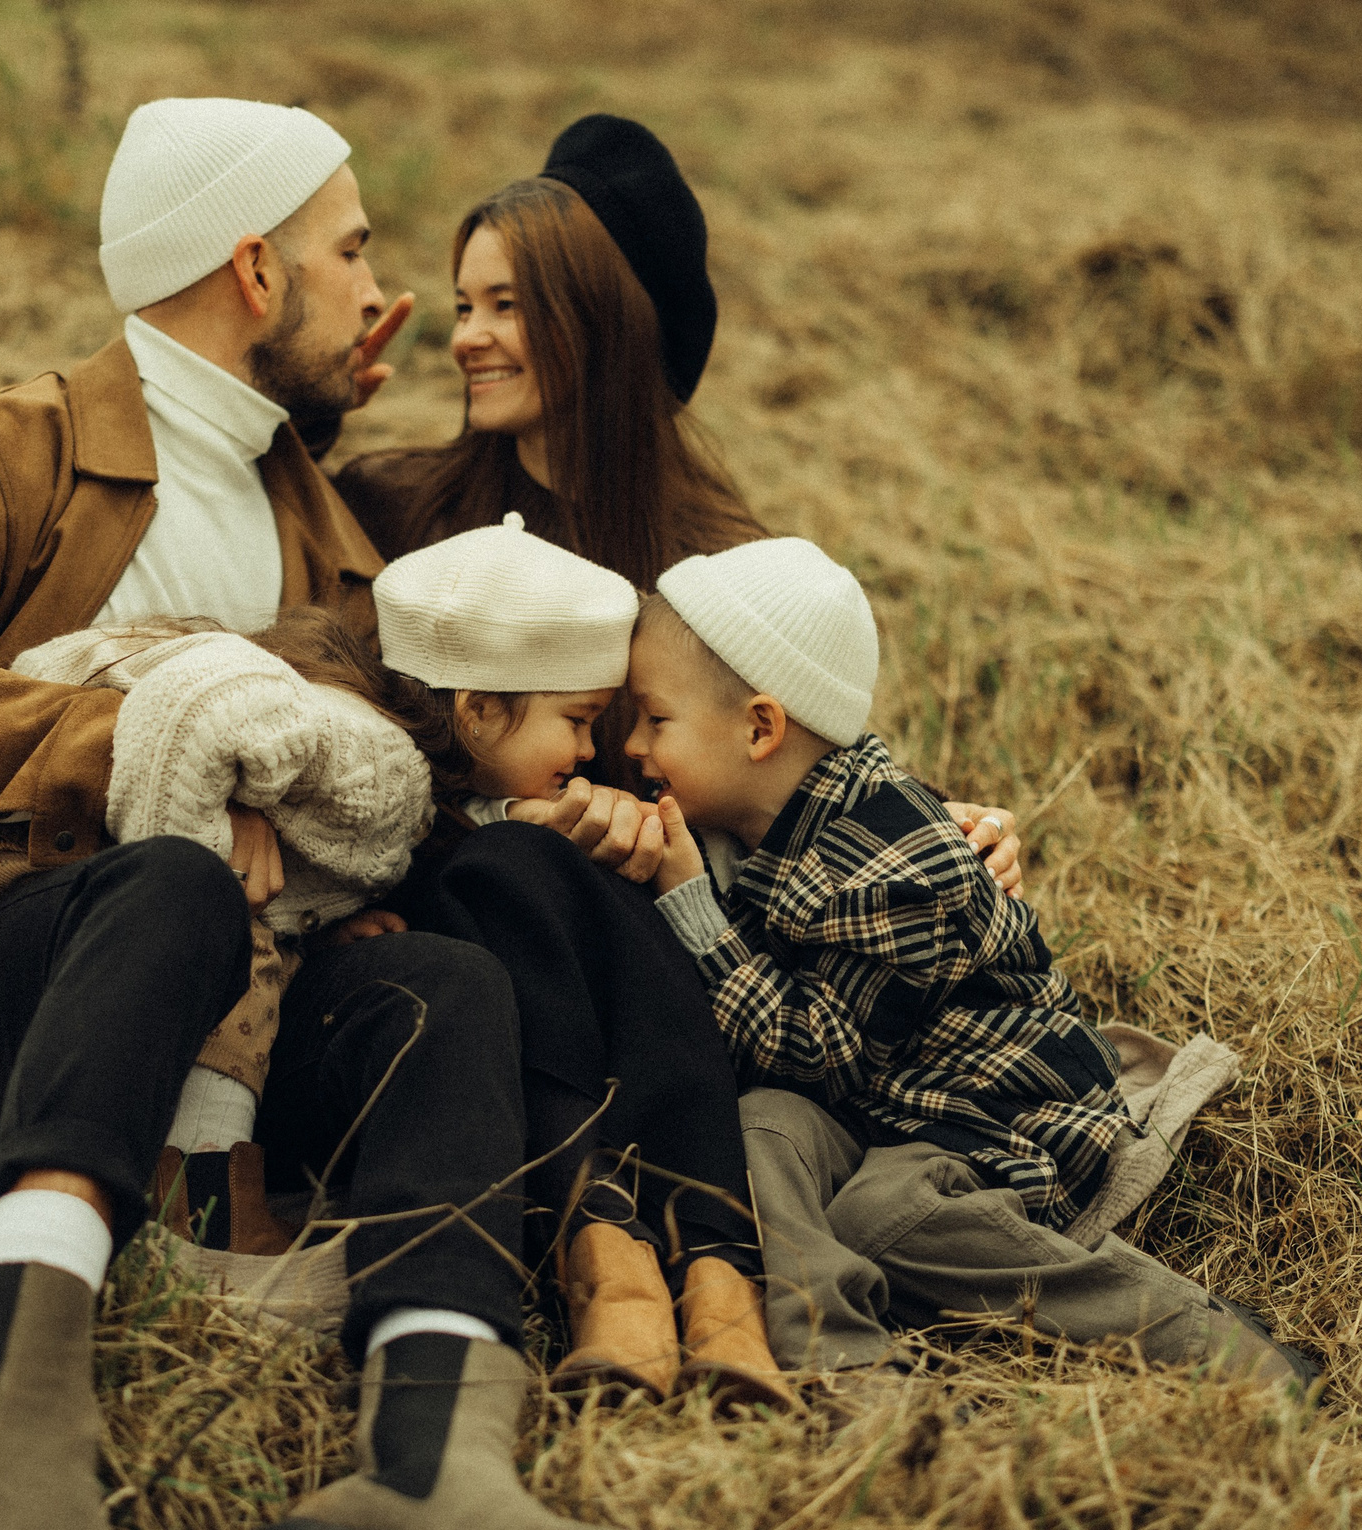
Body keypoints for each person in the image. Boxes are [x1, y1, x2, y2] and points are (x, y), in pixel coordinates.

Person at [0, 97, 683, 1530]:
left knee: (446, 988)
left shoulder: (329, 526)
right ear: (255, 270)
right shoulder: (5, 448)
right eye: (352, 251)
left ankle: (430, 1463)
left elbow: (419, 722)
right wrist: (151, 743)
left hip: (253, 998)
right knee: (172, 878)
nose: (381, 293)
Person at [623, 538, 1311, 1387]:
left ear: (760, 728)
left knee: (884, 1214)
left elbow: (812, 1054)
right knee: (762, 1128)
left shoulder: (892, 868)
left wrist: (693, 905)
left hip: (991, 1110)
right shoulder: (765, 822)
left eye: (654, 719)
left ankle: (1207, 1343)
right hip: (884, 1103)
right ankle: (838, 1356)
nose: (633, 745)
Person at [324, 112, 1030, 887]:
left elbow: (796, 755)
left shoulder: (712, 557)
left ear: (599, 320)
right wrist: (310, 415)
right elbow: (325, 706)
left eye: (507, 305)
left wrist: (945, 820)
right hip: (433, 889)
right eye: (464, 307)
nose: (465, 339)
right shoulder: (397, 504)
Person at [345, 516, 785, 1407]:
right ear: (476, 711)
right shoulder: (354, 790)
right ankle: (641, 1264)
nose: (592, 751)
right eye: (579, 720)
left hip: (606, 1033)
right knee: (494, 871)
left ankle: (686, 1273)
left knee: (529, 866)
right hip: (426, 1043)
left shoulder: (559, 809)